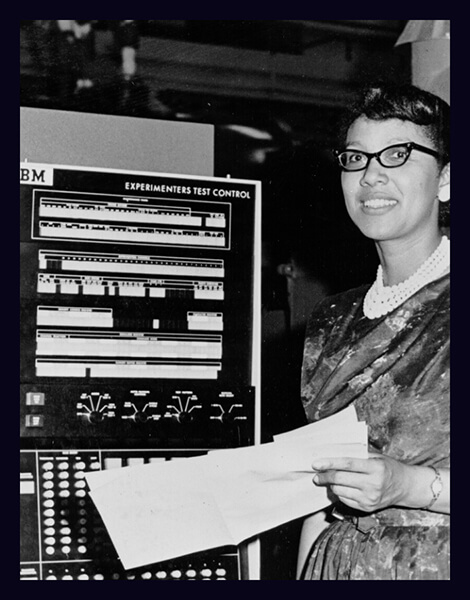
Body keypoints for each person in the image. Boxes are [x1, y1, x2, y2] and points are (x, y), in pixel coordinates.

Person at [296, 83, 450, 580]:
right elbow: (317, 499)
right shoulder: (331, 320)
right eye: (355, 158)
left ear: (447, 179)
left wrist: (409, 486)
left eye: (398, 155)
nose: (371, 175)